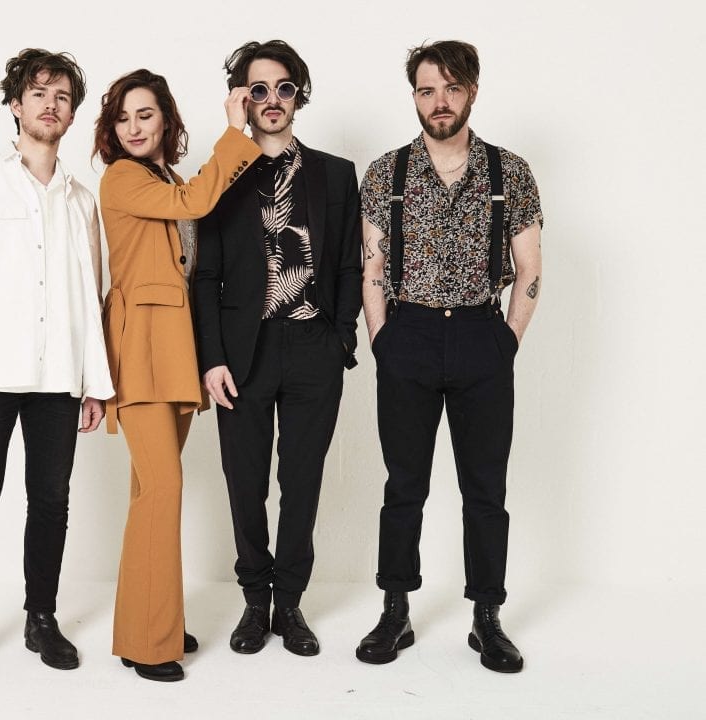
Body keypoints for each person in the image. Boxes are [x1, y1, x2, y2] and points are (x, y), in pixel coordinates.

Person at [0, 49, 113, 688]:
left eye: (62, 97)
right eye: (38, 93)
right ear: (15, 104)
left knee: (52, 502)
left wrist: (94, 383)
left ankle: (41, 618)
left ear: (71, 114)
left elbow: (90, 296)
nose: (50, 105)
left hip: (59, 378)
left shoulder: (82, 201)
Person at [354, 40, 543, 673]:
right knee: (403, 485)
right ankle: (395, 611)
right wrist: (382, 339)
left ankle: (487, 617)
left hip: (480, 336)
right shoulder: (387, 172)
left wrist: (505, 342)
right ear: (414, 96)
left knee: (485, 488)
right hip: (406, 336)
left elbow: (529, 268)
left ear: (472, 92)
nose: (439, 101)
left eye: (451, 88)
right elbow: (372, 267)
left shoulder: (509, 171)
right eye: (427, 90)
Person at [193, 40, 362, 657]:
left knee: (302, 480)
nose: (272, 99)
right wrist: (212, 357)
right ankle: (253, 601)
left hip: (315, 346)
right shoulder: (221, 173)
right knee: (244, 482)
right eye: (257, 89)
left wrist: (341, 338)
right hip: (244, 353)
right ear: (241, 98)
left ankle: (289, 602)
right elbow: (205, 276)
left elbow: (348, 263)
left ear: (298, 95)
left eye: (283, 87)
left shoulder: (336, 174)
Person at [94, 69, 261, 682]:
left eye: (145, 114)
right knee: (163, 490)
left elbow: (189, 225)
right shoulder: (122, 177)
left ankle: (149, 616)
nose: (134, 127)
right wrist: (235, 131)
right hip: (140, 352)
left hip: (174, 353)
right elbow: (196, 203)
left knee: (151, 493)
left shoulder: (164, 177)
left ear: (165, 118)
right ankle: (150, 641)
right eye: (123, 118)